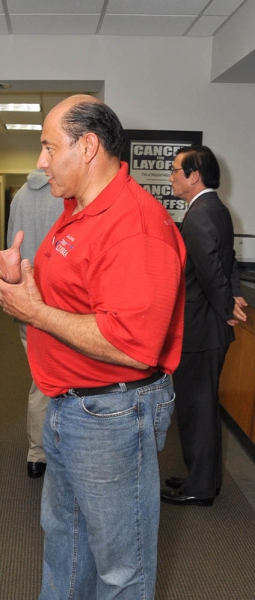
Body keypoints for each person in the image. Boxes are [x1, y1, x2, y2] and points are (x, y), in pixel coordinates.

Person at [0, 95, 186, 599]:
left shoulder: (135, 225)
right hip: (69, 406)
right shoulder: (76, 209)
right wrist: (21, 282)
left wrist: (34, 312)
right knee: (66, 547)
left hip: (111, 414)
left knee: (120, 568)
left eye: (49, 147)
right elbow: (73, 299)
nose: (41, 160)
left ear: (88, 147)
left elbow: (133, 346)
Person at [161, 145, 247, 507]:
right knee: (203, 409)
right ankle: (202, 479)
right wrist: (234, 294)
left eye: (175, 170)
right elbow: (228, 259)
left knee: (197, 411)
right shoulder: (216, 208)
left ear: (194, 175)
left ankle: (199, 488)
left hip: (199, 329)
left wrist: (227, 305)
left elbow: (212, 270)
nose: (170, 177)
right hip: (207, 327)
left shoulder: (199, 214)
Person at [6, 169, 63, 478]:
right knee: (64, 378)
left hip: (25, 301)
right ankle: (56, 448)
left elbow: (10, 251)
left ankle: (36, 454)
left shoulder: (19, 197)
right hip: (59, 306)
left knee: (41, 379)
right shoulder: (66, 197)